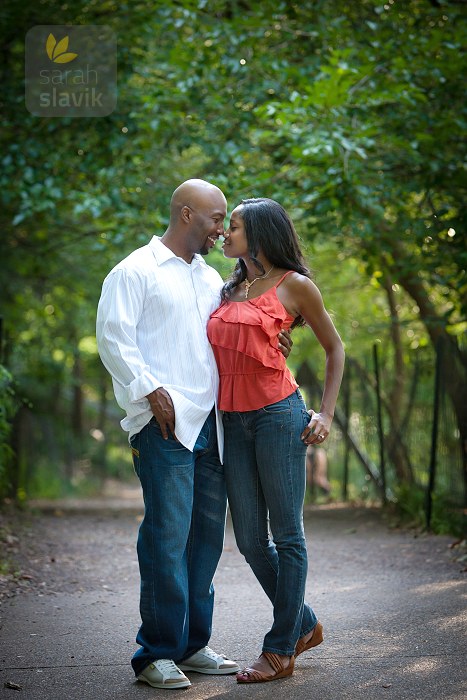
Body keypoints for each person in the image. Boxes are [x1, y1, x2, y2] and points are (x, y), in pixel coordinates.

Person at [96, 180, 291, 691]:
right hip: (163, 424)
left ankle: (192, 644)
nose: (222, 229)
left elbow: (236, 326)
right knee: (166, 537)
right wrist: (148, 389)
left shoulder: (211, 280)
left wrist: (273, 334)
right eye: (215, 218)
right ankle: (155, 653)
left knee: (205, 541)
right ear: (186, 214)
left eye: (226, 219)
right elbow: (113, 338)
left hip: (214, 424)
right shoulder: (134, 271)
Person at [207, 197, 345, 683]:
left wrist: (325, 414)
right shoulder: (228, 287)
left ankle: (280, 648)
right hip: (232, 420)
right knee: (248, 539)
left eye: (236, 227)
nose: (226, 234)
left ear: (261, 235)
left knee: (287, 535)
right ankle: (304, 623)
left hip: (278, 415)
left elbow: (334, 348)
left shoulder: (296, 286)